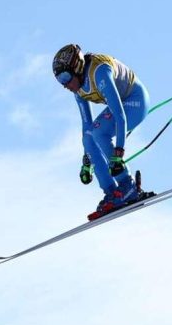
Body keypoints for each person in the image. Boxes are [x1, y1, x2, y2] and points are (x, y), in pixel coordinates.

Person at [52, 44, 151, 220]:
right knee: (89, 137)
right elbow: (86, 127)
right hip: (121, 105)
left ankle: (127, 186)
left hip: (136, 101)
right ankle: (113, 193)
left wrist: (119, 154)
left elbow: (119, 116)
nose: (65, 85)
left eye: (66, 77)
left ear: (77, 67)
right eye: (60, 80)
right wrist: (87, 161)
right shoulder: (78, 90)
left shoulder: (99, 72)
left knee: (99, 133)